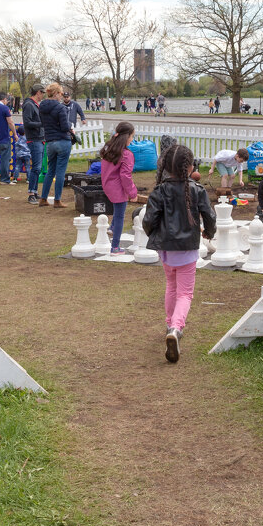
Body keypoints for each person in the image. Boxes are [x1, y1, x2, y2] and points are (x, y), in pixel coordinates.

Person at [143, 144, 216, 364]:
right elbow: (210, 216)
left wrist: (155, 235)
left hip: (166, 248)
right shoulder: (197, 189)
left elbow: (148, 220)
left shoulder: (159, 190)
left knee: (171, 286)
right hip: (187, 248)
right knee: (185, 293)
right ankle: (176, 328)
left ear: (166, 167)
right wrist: (209, 232)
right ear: (190, 166)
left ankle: (169, 323)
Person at [100, 121, 138, 255]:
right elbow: (125, 176)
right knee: (121, 214)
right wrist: (132, 192)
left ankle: (112, 228)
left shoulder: (108, 148)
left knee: (117, 210)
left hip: (107, 184)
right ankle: (115, 247)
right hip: (117, 187)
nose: (132, 139)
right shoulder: (127, 154)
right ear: (126, 136)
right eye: (132, 136)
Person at [38, 82, 73, 207]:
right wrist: (70, 127)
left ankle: (43, 198)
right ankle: (57, 200)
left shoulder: (42, 107)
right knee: (60, 172)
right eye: (61, 93)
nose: (62, 96)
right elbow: (64, 127)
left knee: (50, 171)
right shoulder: (60, 107)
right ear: (57, 93)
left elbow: (42, 123)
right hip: (62, 141)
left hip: (50, 142)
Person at [22, 84, 46, 204]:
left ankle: (35, 191)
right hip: (34, 139)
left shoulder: (34, 105)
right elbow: (27, 123)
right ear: (38, 92)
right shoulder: (29, 105)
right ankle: (31, 193)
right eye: (42, 93)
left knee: (38, 167)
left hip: (39, 138)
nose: (43, 95)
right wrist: (41, 124)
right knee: (36, 167)